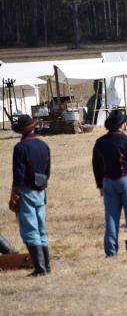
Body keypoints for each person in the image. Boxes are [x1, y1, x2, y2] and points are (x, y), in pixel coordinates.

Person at [92, 111, 127, 256]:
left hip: (108, 181)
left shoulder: (100, 142)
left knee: (111, 218)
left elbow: (96, 165)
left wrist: (100, 185)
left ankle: (111, 250)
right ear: (123, 125)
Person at [9, 115, 51, 276]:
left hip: (26, 191)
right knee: (41, 229)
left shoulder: (20, 148)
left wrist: (14, 194)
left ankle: (40, 269)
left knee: (29, 230)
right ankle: (46, 266)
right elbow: (48, 172)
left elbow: (18, 176)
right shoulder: (44, 146)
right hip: (41, 190)